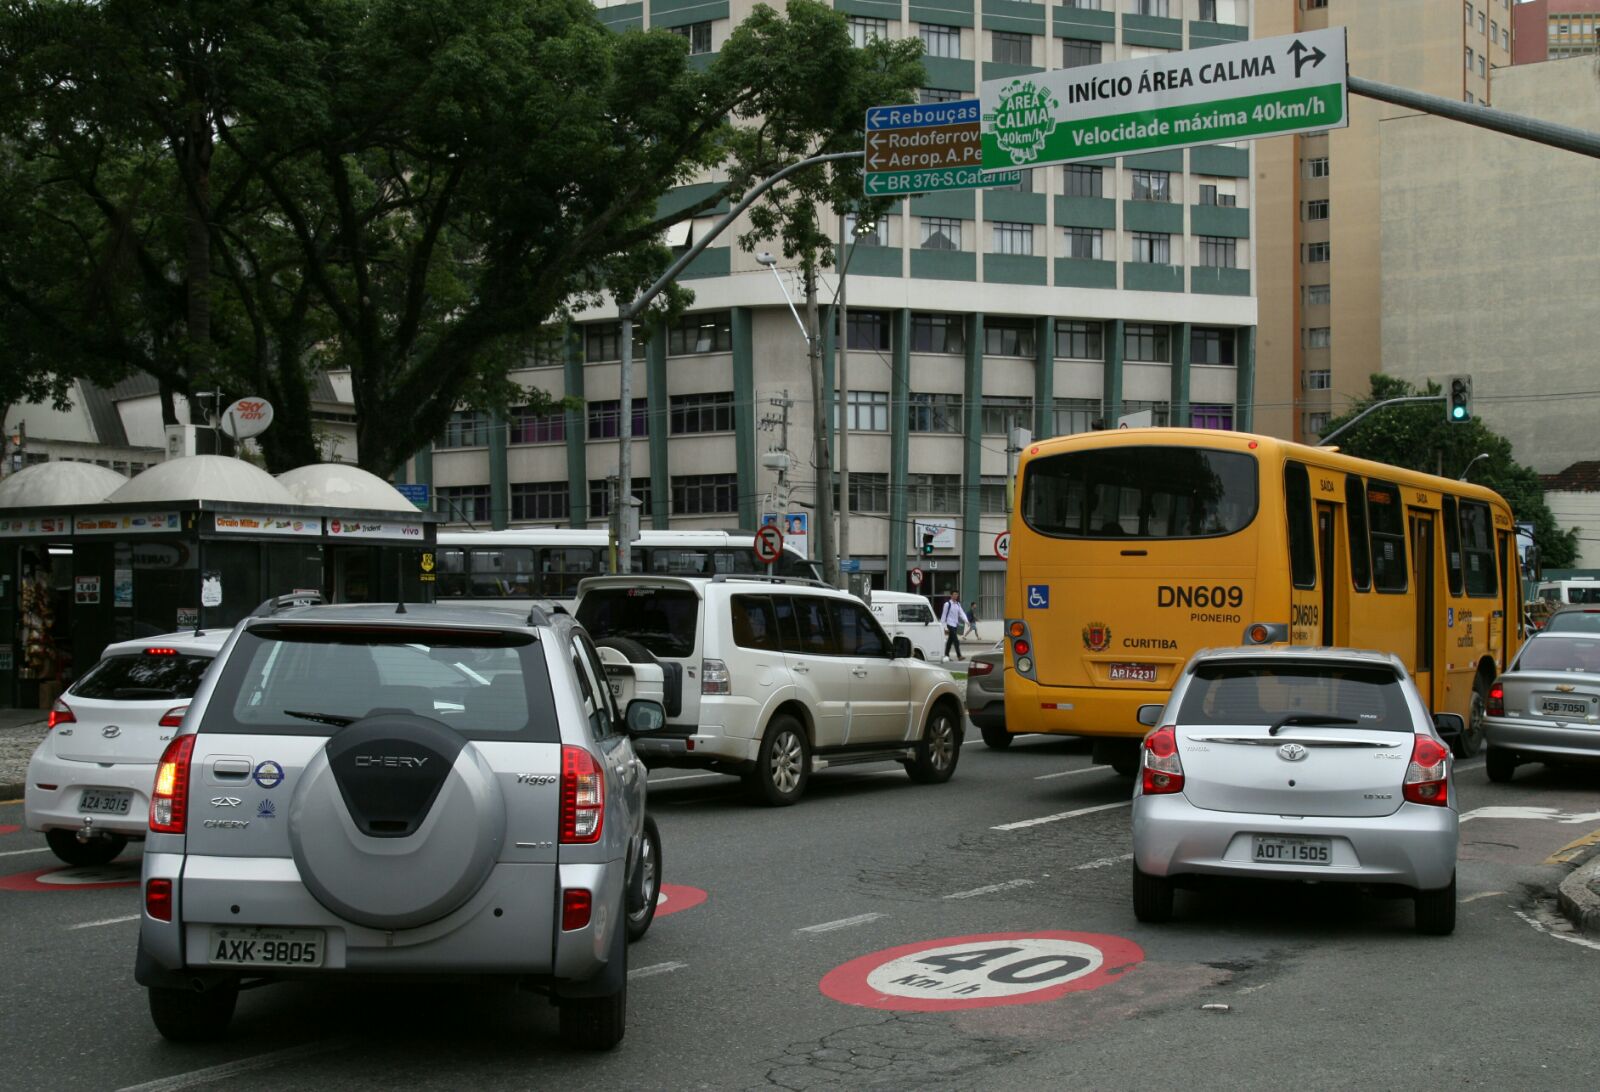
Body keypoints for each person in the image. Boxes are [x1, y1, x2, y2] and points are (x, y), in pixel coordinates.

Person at [939, 591, 970, 661]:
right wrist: (943, 627)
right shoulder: (947, 604)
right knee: (956, 640)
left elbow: (962, 613)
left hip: (955, 625)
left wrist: (967, 621)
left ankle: (946, 655)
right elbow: (943, 615)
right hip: (949, 625)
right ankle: (959, 656)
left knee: (950, 641)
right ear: (951, 595)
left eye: (957, 595)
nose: (956, 596)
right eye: (954, 594)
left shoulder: (958, 604)